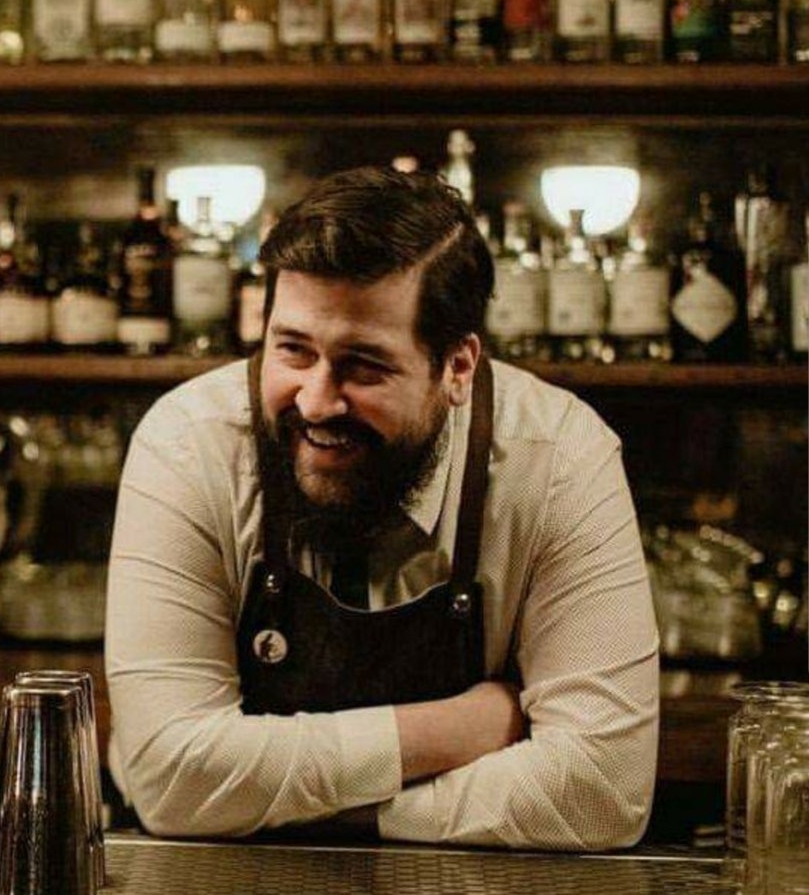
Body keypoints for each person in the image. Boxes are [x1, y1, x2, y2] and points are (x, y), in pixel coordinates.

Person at [105, 166, 659, 848]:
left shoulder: (559, 458)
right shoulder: (187, 444)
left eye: (363, 366)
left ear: (457, 368)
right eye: (292, 350)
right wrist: (452, 731)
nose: (315, 400)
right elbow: (171, 776)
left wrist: (323, 812)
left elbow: (601, 791)